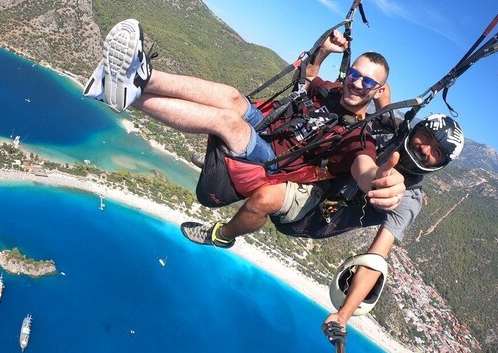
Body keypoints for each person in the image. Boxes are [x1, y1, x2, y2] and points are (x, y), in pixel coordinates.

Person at [83, 19, 406, 247]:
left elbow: (363, 169)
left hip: (271, 162)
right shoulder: (332, 92)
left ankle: (131, 97)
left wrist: (379, 182)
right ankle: (142, 75)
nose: (356, 83)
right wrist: (322, 51)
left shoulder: (358, 136)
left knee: (229, 122)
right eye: (354, 74)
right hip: (267, 127)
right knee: (232, 96)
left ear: (378, 91)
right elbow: (308, 78)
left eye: (368, 82)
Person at [322, 113, 465, 329]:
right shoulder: (388, 131)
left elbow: (376, 258)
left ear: (441, 164)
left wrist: (343, 315)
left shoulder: (409, 199)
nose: (425, 149)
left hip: (317, 215)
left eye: (436, 151)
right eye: (425, 137)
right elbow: (381, 98)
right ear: (414, 130)